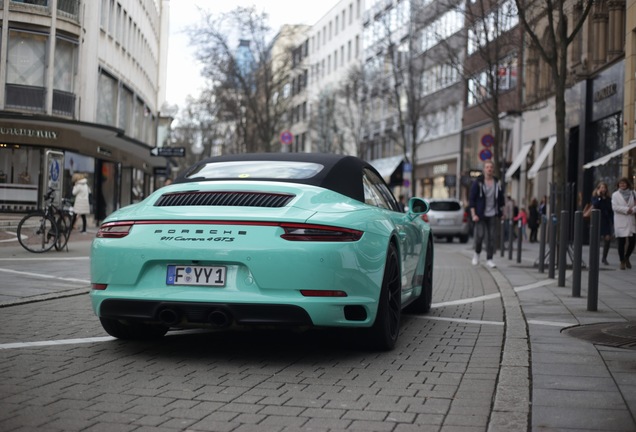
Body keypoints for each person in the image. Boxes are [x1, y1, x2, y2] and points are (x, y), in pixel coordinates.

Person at [469, 160, 505, 268]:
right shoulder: (478, 183)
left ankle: (489, 259)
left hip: (493, 214)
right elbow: (472, 199)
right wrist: (473, 214)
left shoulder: (496, 182)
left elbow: (501, 199)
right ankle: (476, 255)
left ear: (493, 169)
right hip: (480, 214)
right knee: (479, 236)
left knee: (491, 238)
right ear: (484, 169)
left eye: (491, 167)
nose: (489, 169)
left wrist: (501, 212)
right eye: (487, 167)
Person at [611, 177, 636, 270]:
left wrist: (632, 210)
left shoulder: (633, 193)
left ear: (627, 184)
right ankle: (622, 261)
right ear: (618, 185)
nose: (622, 185)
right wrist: (626, 210)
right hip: (620, 220)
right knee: (621, 242)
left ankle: (627, 256)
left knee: (633, 241)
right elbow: (615, 207)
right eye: (621, 183)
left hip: (631, 220)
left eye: (624, 183)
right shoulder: (615, 195)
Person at [591, 182, 614, 265]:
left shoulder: (608, 198)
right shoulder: (595, 197)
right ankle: (594, 256)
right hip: (597, 220)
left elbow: (610, 210)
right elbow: (595, 205)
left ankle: (604, 257)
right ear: (598, 189)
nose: (603, 189)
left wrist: (612, 221)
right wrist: (599, 197)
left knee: (607, 239)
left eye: (604, 188)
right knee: (596, 239)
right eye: (601, 187)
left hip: (606, 221)